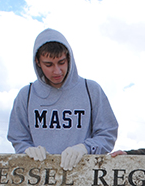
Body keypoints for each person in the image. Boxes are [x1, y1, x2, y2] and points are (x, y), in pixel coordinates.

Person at [7, 28, 118, 170]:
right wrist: (26, 150)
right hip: (39, 176)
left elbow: (107, 133)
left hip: (83, 175)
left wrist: (85, 148)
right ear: (38, 62)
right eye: (49, 65)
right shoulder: (26, 95)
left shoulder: (91, 90)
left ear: (69, 58)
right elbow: (17, 136)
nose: (57, 71)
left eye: (61, 62)